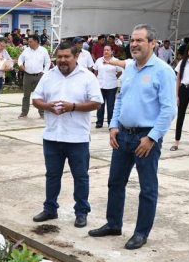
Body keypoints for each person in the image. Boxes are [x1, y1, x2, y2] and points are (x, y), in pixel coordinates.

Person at [89, 24, 176, 250]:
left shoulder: (163, 71)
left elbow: (169, 109)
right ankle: (113, 224)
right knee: (115, 182)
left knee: (147, 188)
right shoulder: (129, 69)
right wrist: (113, 127)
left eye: (140, 40)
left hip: (146, 138)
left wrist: (153, 137)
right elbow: (120, 99)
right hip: (122, 136)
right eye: (132, 40)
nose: (134, 44)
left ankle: (141, 233)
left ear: (153, 44)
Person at [30, 42, 103, 228]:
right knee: (52, 176)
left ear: (76, 57)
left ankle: (81, 212)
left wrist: (74, 107)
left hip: (77, 138)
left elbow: (97, 103)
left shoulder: (87, 77)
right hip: (52, 137)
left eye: (66, 57)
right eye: (59, 57)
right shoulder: (48, 76)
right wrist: (47, 107)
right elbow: (36, 99)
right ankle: (50, 209)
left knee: (80, 177)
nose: (62, 60)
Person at [17, 35, 51, 118]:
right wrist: (21, 65)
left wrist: (44, 72)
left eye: (30, 42)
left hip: (39, 76)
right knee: (26, 95)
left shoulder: (43, 50)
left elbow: (48, 62)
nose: (28, 43)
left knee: (40, 95)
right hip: (27, 75)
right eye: (28, 42)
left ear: (36, 41)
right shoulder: (26, 50)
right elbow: (20, 59)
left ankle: (42, 113)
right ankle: (24, 112)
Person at [93, 45, 123, 128]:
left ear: (111, 51)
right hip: (100, 85)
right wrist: (97, 80)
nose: (106, 51)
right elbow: (95, 71)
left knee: (111, 105)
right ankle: (99, 122)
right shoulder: (99, 60)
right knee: (100, 105)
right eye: (104, 50)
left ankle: (111, 122)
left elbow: (120, 72)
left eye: (108, 50)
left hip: (112, 86)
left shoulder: (116, 61)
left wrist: (114, 78)